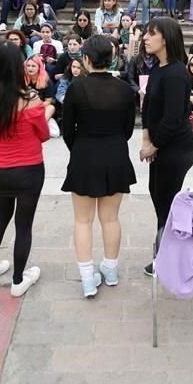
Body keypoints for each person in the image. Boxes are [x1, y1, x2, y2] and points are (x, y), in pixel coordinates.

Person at [0, 42, 54, 297]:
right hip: (29, 168)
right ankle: (19, 279)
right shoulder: (30, 102)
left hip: (0, 168)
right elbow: (43, 135)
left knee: (1, 215)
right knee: (24, 224)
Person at [60, 36, 137, 297]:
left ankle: (86, 278)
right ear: (112, 58)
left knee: (83, 220)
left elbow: (67, 129)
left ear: (86, 59)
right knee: (111, 217)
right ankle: (111, 269)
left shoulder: (76, 88)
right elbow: (128, 130)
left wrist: (80, 147)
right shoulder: (125, 89)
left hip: (84, 153)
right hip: (115, 154)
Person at [139, 17, 193, 275]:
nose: (145, 37)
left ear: (167, 38)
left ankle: (171, 256)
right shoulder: (159, 69)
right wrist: (146, 138)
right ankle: (169, 250)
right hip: (161, 146)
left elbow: (174, 118)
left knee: (167, 202)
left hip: (176, 149)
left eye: (151, 33)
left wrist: (155, 145)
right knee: (159, 196)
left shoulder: (176, 73)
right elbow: (148, 106)